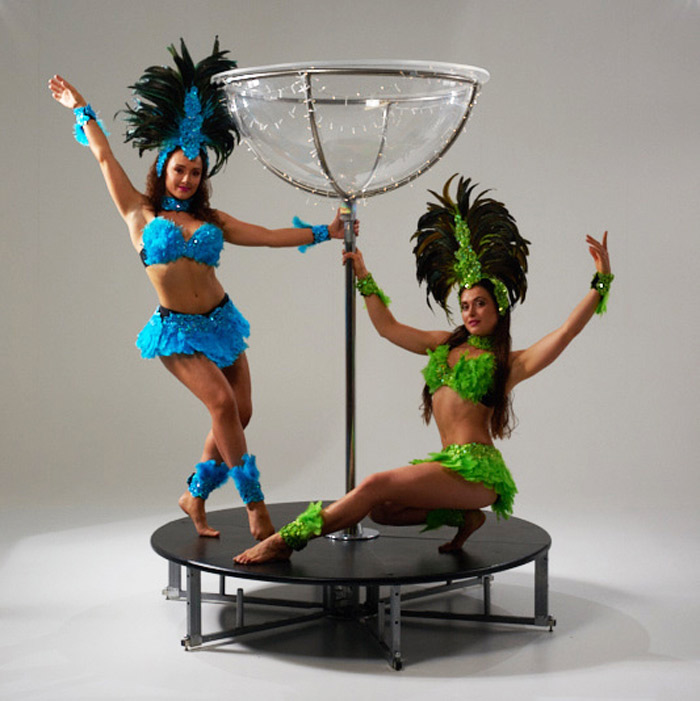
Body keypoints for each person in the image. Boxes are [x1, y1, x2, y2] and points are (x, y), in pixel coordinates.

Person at [48, 39, 354, 541]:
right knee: (222, 406)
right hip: (178, 332)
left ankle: (195, 494)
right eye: (179, 170)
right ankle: (256, 508)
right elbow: (104, 158)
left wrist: (326, 232)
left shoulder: (213, 220)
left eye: (195, 172)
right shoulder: (139, 213)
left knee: (241, 412)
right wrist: (81, 108)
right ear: (162, 169)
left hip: (222, 322)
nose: (187, 178)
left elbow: (268, 236)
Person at [234, 175, 613, 564]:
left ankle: (287, 540)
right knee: (384, 510)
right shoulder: (443, 344)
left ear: (498, 308)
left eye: (480, 303)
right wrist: (363, 274)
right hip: (448, 466)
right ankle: (465, 517)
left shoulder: (508, 363)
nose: (470, 312)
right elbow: (388, 328)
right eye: (465, 305)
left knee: (375, 484)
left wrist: (600, 282)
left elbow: (566, 333)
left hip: (478, 472)